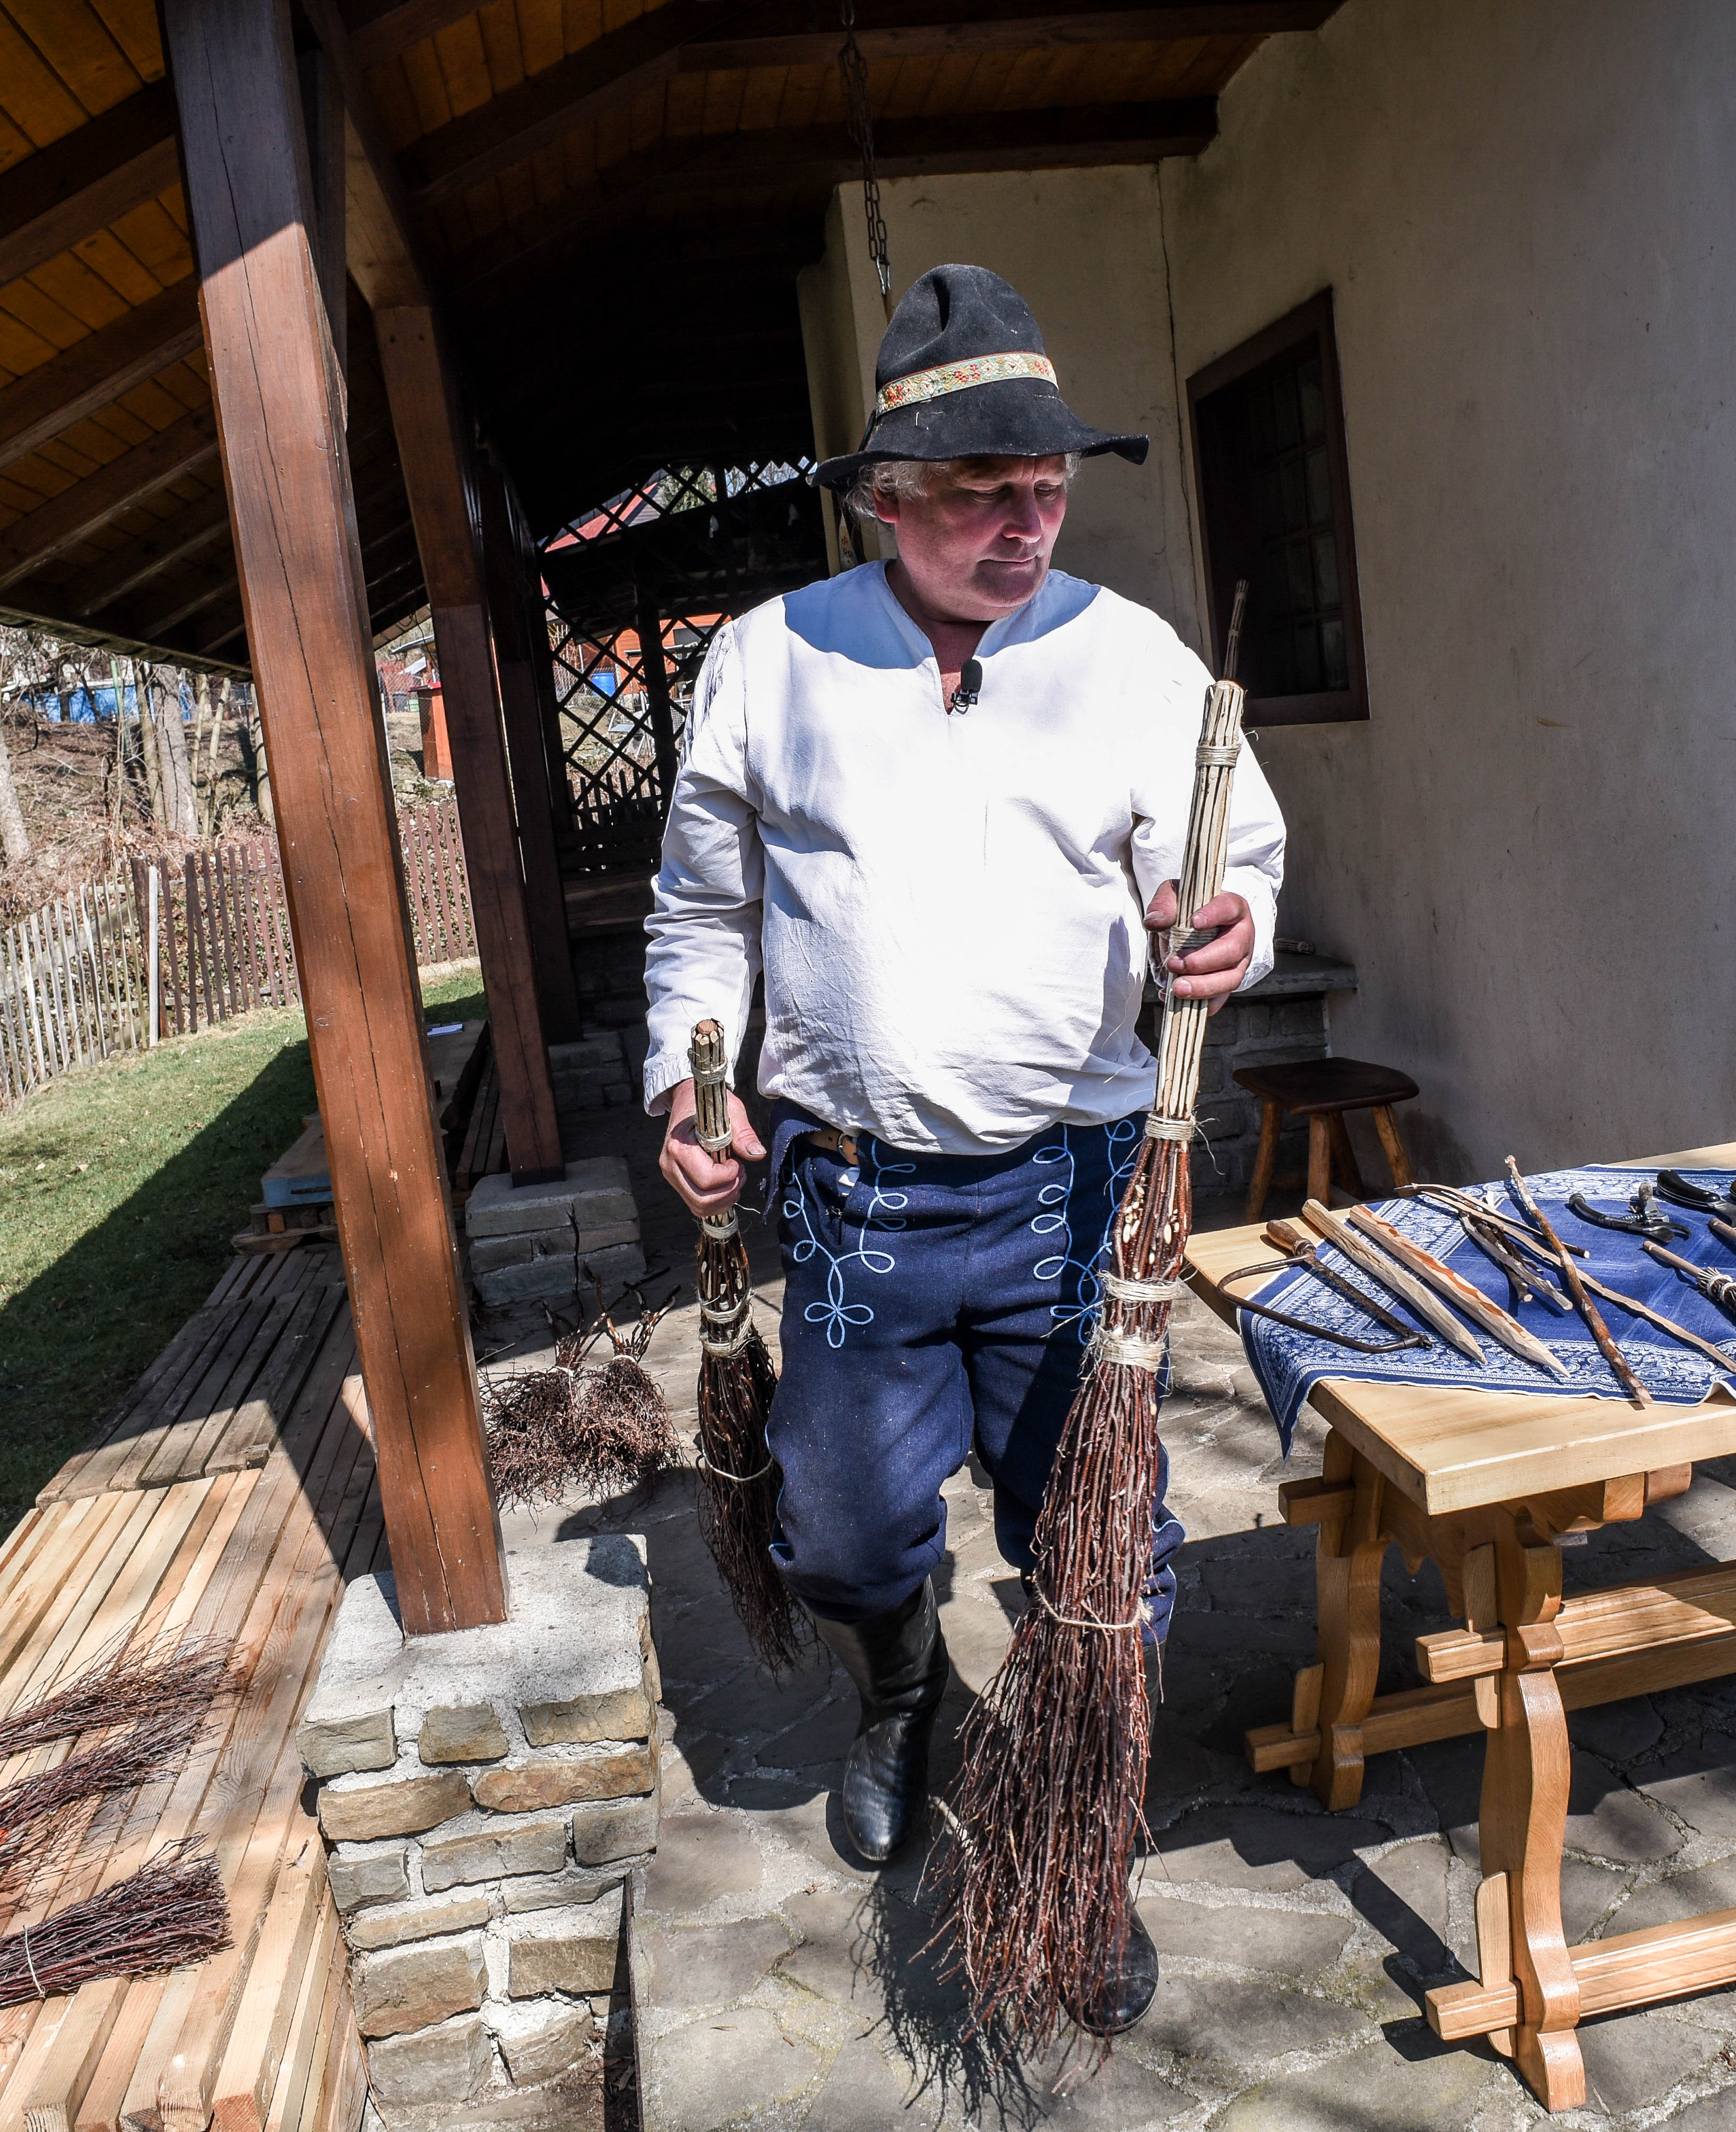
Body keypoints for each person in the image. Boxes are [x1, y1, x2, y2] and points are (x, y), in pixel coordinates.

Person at [642, 263, 1286, 2033]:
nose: (1027, 523)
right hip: (859, 1194)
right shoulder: (773, 662)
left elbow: (1232, 858)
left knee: (1102, 1541)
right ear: (885, 500)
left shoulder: (1128, 658)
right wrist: (693, 1090)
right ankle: (905, 1687)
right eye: (983, 492)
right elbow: (700, 912)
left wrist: (1229, 928)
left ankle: (1080, 1824)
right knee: (841, 1528)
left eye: (1048, 488)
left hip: (1076, 1187)